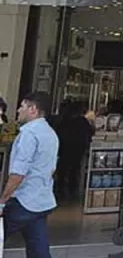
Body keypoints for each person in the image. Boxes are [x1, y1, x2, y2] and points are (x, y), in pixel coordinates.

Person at [0, 92, 60, 257]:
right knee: (38, 249)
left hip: (23, 200)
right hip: (41, 200)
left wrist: (3, 200)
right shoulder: (51, 134)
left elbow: (18, 173)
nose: (19, 110)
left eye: (22, 106)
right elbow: (52, 168)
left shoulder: (29, 134)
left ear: (33, 109)